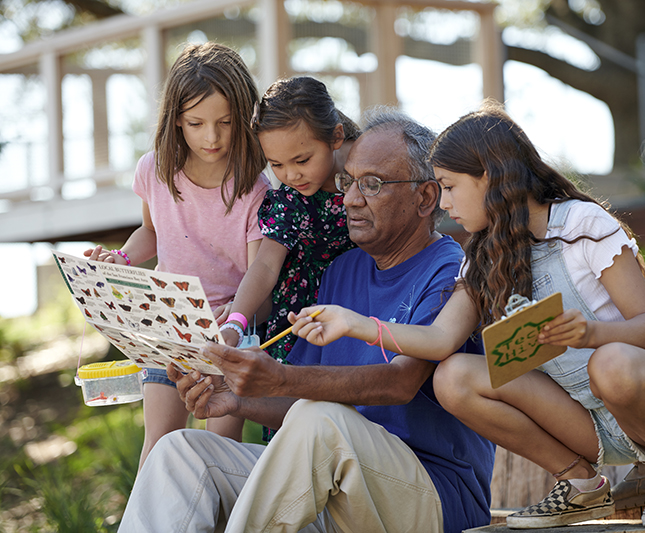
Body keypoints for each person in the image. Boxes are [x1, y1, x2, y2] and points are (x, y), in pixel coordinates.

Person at [293, 102, 645, 529]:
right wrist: (354, 324)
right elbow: (439, 341)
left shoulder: (582, 223)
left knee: (611, 361)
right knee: (453, 376)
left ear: (488, 178)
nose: (445, 202)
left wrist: (590, 333)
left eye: (451, 187)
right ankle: (581, 485)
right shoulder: (483, 256)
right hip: (586, 421)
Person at [117, 108, 495, 533]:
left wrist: (278, 379)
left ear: (426, 198)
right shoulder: (343, 270)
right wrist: (237, 400)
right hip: (336, 490)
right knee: (180, 452)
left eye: (371, 184)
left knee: (320, 421)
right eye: (348, 181)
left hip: (431, 495)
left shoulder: (450, 270)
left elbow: (399, 383)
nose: (350, 198)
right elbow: (297, 397)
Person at [84, 42, 269, 467]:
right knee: (158, 447)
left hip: (226, 332)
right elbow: (151, 232)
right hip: (165, 322)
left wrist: (235, 327)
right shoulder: (156, 169)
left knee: (220, 456)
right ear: (176, 121)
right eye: (196, 123)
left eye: (225, 122)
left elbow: (260, 267)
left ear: (243, 118)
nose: (212, 137)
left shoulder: (253, 188)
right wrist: (124, 259)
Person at [218, 76, 358, 361]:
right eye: (277, 165)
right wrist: (235, 321)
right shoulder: (292, 201)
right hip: (301, 318)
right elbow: (266, 265)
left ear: (336, 137)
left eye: (302, 160)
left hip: (361, 307)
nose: (291, 176)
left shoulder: (371, 171)